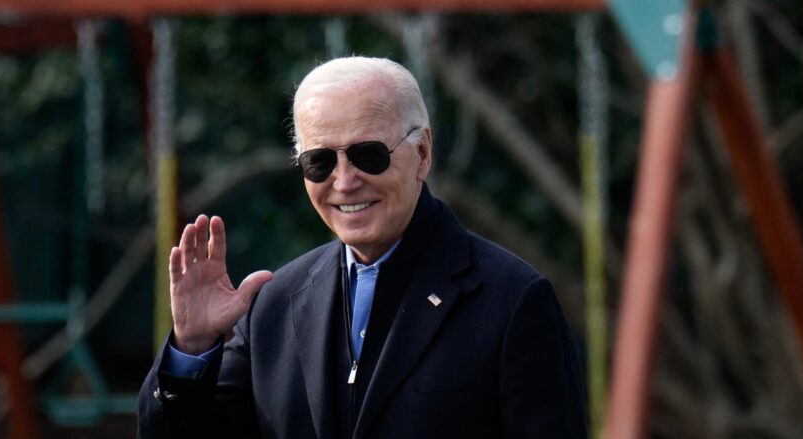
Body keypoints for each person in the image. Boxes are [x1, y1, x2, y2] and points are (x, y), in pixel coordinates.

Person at [137, 56, 587, 438]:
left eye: (369, 154)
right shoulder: (272, 305)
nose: (345, 182)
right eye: (321, 161)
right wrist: (192, 347)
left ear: (423, 153)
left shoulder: (511, 301)